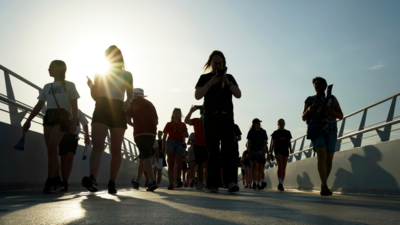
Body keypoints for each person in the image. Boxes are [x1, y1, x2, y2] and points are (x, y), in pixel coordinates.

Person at [22, 60, 79, 193]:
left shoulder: (70, 85)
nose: (48, 69)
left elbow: (74, 106)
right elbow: (39, 105)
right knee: (51, 151)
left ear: (60, 69)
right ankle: (57, 181)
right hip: (48, 116)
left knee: (53, 147)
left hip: (62, 117)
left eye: (51, 67)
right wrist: (28, 120)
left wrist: (74, 120)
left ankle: (50, 181)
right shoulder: (47, 86)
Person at [83, 45, 134, 194]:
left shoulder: (127, 75)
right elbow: (95, 97)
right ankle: (92, 178)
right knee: (97, 145)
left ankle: (112, 182)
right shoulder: (99, 73)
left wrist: (128, 102)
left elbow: (130, 93)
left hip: (118, 108)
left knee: (116, 149)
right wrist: (91, 86)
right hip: (102, 106)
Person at [195, 50, 242, 193]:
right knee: (213, 151)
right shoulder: (204, 78)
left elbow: (238, 94)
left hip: (227, 117)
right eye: (215, 63)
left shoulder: (230, 77)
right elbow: (197, 95)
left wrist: (227, 83)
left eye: (220, 63)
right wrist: (211, 82)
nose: (217, 66)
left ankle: (231, 182)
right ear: (210, 63)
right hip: (211, 118)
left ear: (224, 64)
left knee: (229, 150)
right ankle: (213, 184)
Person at [302, 77, 343, 196]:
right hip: (316, 130)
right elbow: (303, 117)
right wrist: (309, 110)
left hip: (330, 130)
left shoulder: (332, 98)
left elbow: (341, 115)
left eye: (319, 84)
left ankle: (323, 183)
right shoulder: (309, 99)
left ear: (325, 86)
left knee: (329, 160)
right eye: (315, 84)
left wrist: (331, 111)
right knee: (321, 153)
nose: (317, 86)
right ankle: (325, 186)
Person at [127, 88, 159, 191]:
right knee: (142, 157)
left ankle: (152, 181)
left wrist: (135, 125)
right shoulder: (150, 104)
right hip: (152, 134)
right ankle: (137, 182)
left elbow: (127, 119)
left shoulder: (133, 102)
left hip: (140, 133)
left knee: (145, 155)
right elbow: (156, 121)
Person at [55, 109, 90, 192]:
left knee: (70, 158)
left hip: (73, 137)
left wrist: (87, 135)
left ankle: (65, 181)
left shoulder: (78, 111)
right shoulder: (62, 109)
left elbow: (85, 123)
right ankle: (63, 182)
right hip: (63, 136)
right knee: (63, 160)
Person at [162, 108, 188, 190]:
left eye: (178, 113)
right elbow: (165, 135)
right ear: (173, 115)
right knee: (171, 163)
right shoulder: (169, 124)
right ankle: (170, 183)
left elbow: (186, 134)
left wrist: (182, 136)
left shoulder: (183, 125)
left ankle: (178, 178)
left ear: (180, 115)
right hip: (170, 143)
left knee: (179, 162)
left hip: (179, 143)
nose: (176, 115)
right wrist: (163, 146)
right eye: (175, 113)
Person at [184, 106, 209, 190]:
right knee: (200, 164)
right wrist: (191, 111)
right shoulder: (197, 120)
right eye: (202, 112)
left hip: (207, 144)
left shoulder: (210, 120)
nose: (203, 114)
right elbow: (186, 120)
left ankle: (207, 182)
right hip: (197, 144)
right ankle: (201, 182)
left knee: (207, 163)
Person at [270, 119, 293, 191]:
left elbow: (289, 142)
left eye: (282, 123)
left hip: (285, 150)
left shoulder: (288, 132)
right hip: (278, 150)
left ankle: (281, 183)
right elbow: (273, 143)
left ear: (284, 124)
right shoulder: (275, 133)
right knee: (280, 166)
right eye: (280, 123)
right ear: (278, 124)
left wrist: (290, 148)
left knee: (284, 167)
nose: (281, 124)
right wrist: (270, 152)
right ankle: (279, 182)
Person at [247, 118, 268, 190]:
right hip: (253, 151)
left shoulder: (263, 131)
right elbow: (249, 142)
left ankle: (259, 183)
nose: (259, 124)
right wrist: (249, 150)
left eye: (259, 123)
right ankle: (254, 182)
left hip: (261, 151)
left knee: (260, 167)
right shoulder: (251, 132)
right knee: (254, 165)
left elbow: (265, 142)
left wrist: (263, 149)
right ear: (254, 124)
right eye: (257, 123)